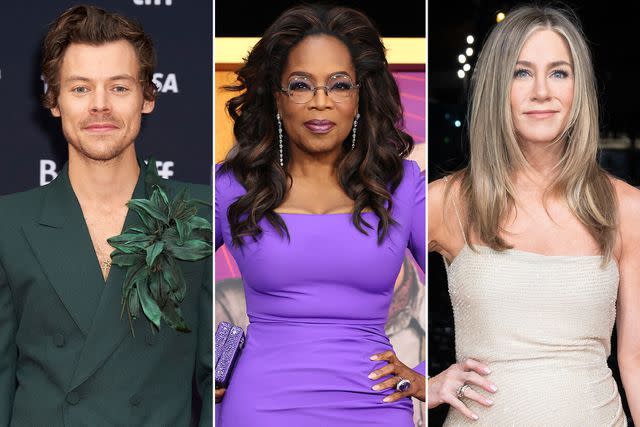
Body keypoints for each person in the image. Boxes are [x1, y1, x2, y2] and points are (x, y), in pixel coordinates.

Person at [428, 5, 640, 426]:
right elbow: (350, 295)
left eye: (559, 72)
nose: (542, 91)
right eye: (521, 73)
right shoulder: (445, 202)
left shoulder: (626, 208)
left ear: (579, 88)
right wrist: (421, 384)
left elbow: (636, 358)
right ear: (495, 86)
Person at [215, 4, 425, 426]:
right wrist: (208, 360)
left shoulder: (400, 183)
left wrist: (426, 378)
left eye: (339, 85)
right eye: (300, 85)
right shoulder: (235, 186)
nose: (320, 102)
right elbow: (167, 283)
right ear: (277, 97)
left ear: (360, 96)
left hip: (374, 409)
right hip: (262, 408)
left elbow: (468, 276)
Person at [0, 5, 212, 425]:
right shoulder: (8, 223)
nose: (99, 106)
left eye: (118, 88)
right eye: (80, 89)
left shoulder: (203, 213)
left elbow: (214, 383)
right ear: (54, 101)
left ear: (147, 97)